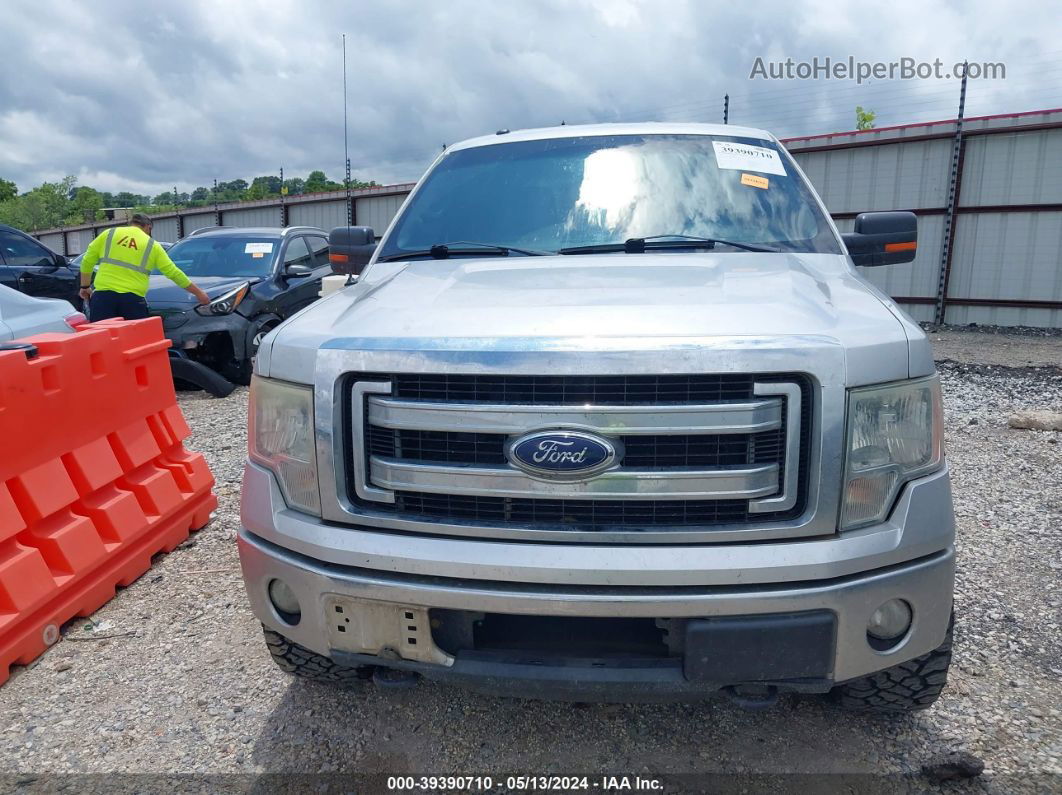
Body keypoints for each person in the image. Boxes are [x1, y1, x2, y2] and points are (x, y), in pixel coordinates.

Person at [79, 213, 210, 321]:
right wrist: (199, 293)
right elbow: (173, 273)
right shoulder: (152, 245)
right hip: (132, 301)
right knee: (133, 345)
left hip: (103, 298)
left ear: (131, 224)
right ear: (148, 227)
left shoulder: (109, 234)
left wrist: (85, 287)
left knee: (103, 343)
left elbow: (87, 261)